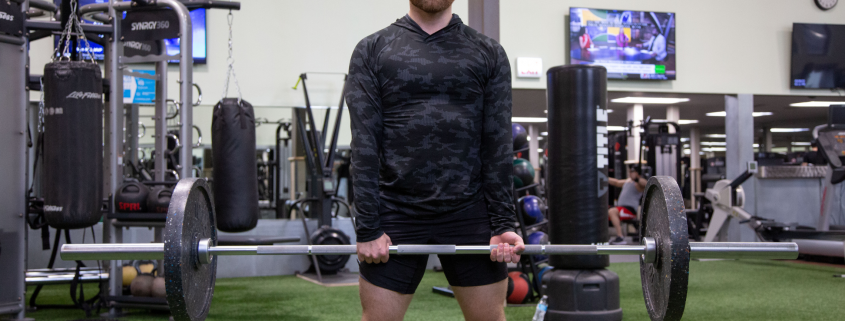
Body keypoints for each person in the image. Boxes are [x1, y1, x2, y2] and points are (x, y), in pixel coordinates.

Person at [345, 1, 523, 320]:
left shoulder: (489, 53)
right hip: (395, 211)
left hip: (470, 212)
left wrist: (503, 224)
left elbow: (497, 144)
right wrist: (368, 227)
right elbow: (364, 143)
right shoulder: (372, 50)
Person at [607, 166, 647, 245]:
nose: (630, 173)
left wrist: (636, 178)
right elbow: (616, 182)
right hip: (620, 209)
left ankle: (620, 237)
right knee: (607, 210)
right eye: (630, 172)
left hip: (630, 210)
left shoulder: (639, 183)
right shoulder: (628, 181)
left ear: (637, 173)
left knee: (612, 211)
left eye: (632, 172)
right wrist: (604, 176)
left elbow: (645, 183)